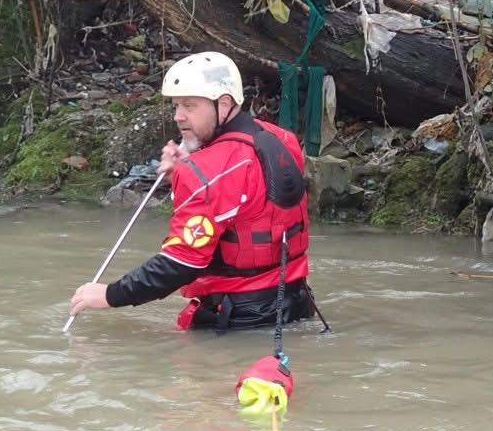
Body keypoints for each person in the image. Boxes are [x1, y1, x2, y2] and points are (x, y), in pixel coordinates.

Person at [70, 51, 315, 331]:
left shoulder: (205, 172)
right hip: (296, 303)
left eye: (189, 105)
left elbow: (179, 265)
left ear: (224, 104)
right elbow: (248, 197)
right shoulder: (282, 139)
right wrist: (188, 169)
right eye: (176, 105)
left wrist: (110, 295)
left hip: (237, 320)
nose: (178, 117)